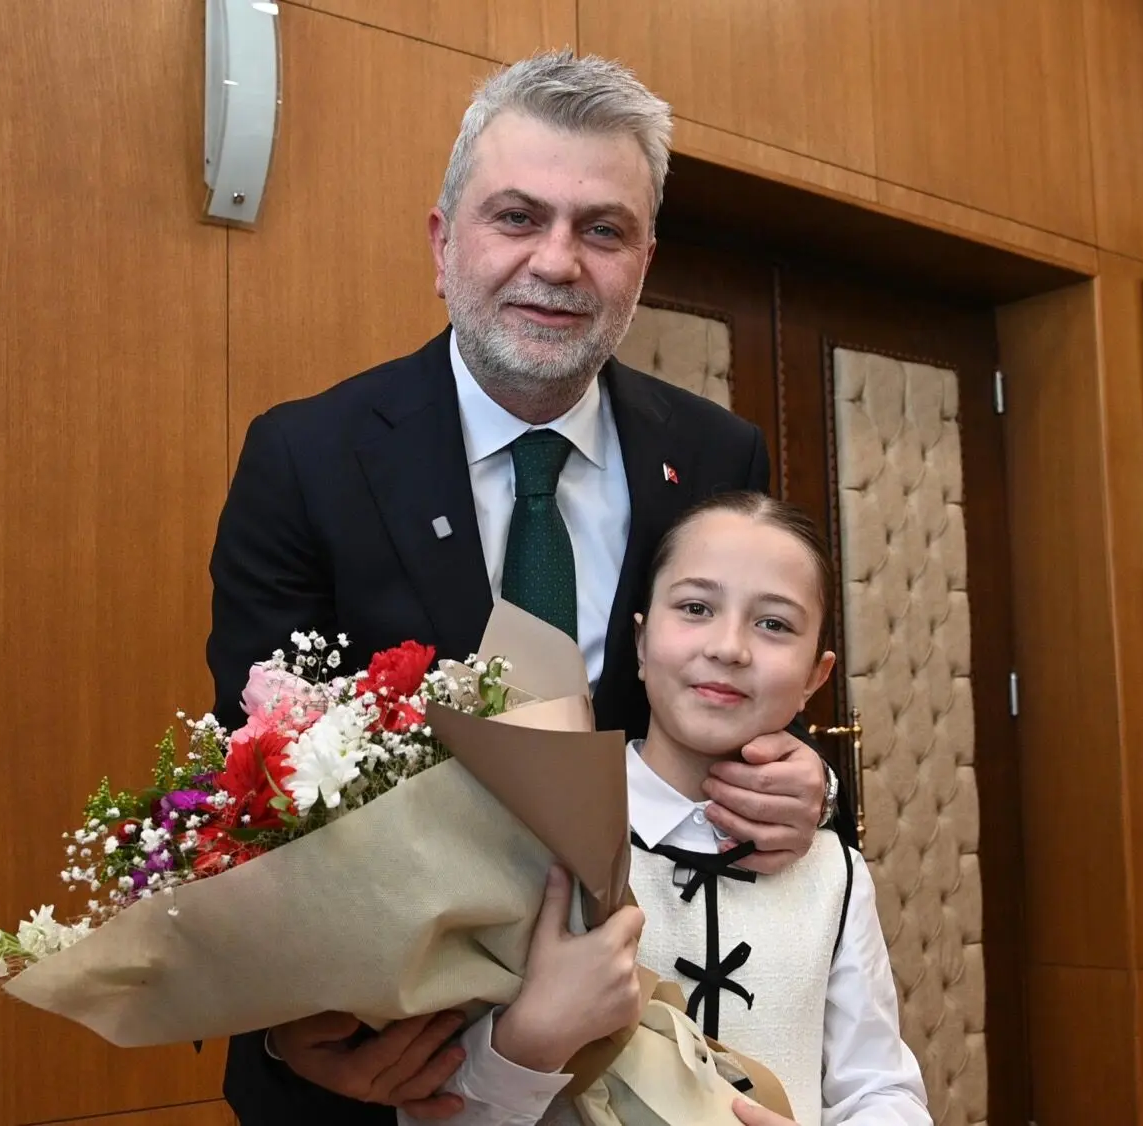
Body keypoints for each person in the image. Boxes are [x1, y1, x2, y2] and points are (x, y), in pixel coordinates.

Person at [206, 51, 854, 1125]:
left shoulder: (713, 453)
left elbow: (740, 696)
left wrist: (805, 785)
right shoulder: (306, 457)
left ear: (643, 262)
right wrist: (291, 1035)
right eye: (517, 217)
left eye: (602, 230)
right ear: (442, 242)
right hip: (388, 1069)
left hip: (650, 1058)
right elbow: (254, 782)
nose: (557, 261)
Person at [407, 492, 930, 1126]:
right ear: (639, 640)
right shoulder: (541, 838)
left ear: (814, 680)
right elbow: (435, 1110)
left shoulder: (835, 875)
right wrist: (531, 1039)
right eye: (695, 608)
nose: (729, 647)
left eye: (773, 624)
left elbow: (882, 1090)